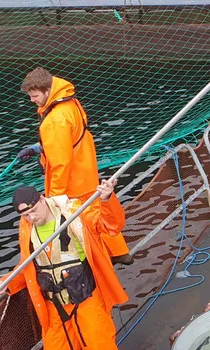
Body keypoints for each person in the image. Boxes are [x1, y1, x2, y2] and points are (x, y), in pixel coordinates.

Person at [0, 180, 128, 350]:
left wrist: (107, 200)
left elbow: (111, 225)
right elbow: (28, 266)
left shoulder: (75, 212)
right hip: (54, 301)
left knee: (97, 342)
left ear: (42, 199)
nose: (31, 217)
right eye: (25, 214)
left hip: (85, 295)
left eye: (33, 210)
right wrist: (6, 284)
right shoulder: (26, 229)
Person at [16, 67, 134, 265]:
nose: (32, 100)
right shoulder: (71, 102)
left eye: (34, 96)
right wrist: (41, 147)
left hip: (73, 183)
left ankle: (100, 260)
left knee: (86, 221)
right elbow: (72, 136)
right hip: (86, 170)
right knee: (98, 211)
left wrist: (55, 197)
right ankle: (120, 252)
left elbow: (61, 163)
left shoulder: (53, 120)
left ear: (47, 91)